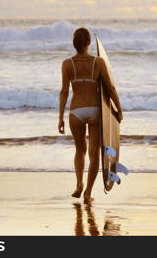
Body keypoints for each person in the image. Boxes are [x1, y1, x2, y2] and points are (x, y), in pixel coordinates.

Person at [58, 28, 123, 203]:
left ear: (75, 44)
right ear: (88, 43)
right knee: (94, 154)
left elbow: (64, 91)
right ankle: (88, 193)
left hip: (76, 112)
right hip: (95, 111)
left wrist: (60, 118)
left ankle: (78, 183)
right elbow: (110, 89)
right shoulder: (98, 62)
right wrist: (119, 110)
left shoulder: (67, 64)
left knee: (80, 150)